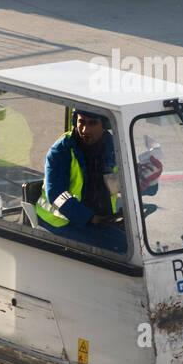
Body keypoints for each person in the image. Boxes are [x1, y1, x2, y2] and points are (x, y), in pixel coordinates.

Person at [35, 108, 127, 254]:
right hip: (61, 222)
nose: (85, 129)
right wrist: (89, 217)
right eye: (81, 122)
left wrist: (143, 182)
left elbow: (123, 181)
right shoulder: (61, 150)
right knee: (119, 250)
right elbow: (56, 194)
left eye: (92, 123)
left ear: (104, 125)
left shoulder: (115, 147)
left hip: (99, 218)